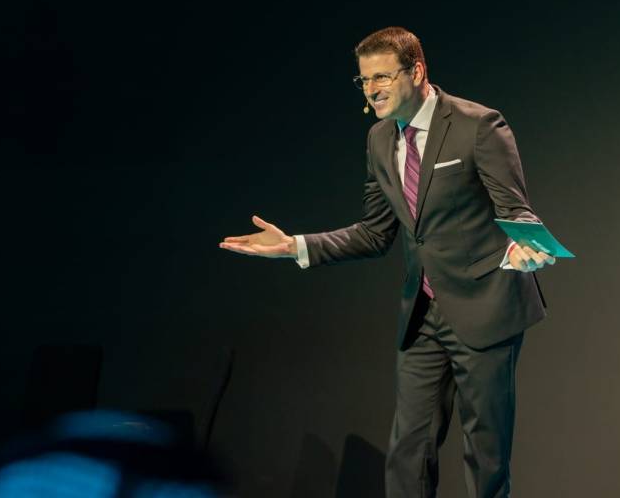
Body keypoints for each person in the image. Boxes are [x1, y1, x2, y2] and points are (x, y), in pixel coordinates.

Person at [219, 27, 556, 498]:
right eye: (364, 80)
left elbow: (515, 209)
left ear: (416, 72)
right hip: (423, 314)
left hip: (485, 306)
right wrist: (295, 245)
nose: (372, 89)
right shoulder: (379, 139)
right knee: (409, 450)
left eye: (382, 77)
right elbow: (376, 232)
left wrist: (525, 245)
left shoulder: (478, 125)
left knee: (486, 453)